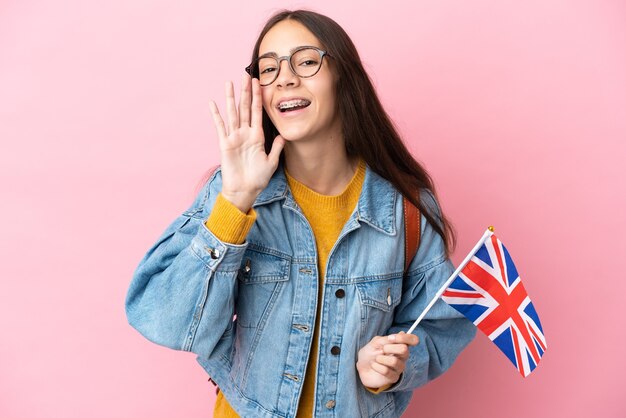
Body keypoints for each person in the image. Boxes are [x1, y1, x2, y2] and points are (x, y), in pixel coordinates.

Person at [125, 9, 476, 418]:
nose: (285, 78)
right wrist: (236, 200)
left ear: (343, 75)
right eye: (269, 68)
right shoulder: (234, 192)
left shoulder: (405, 210)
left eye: (306, 61)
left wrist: (393, 368)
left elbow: (442, 325)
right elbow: (163, 321)